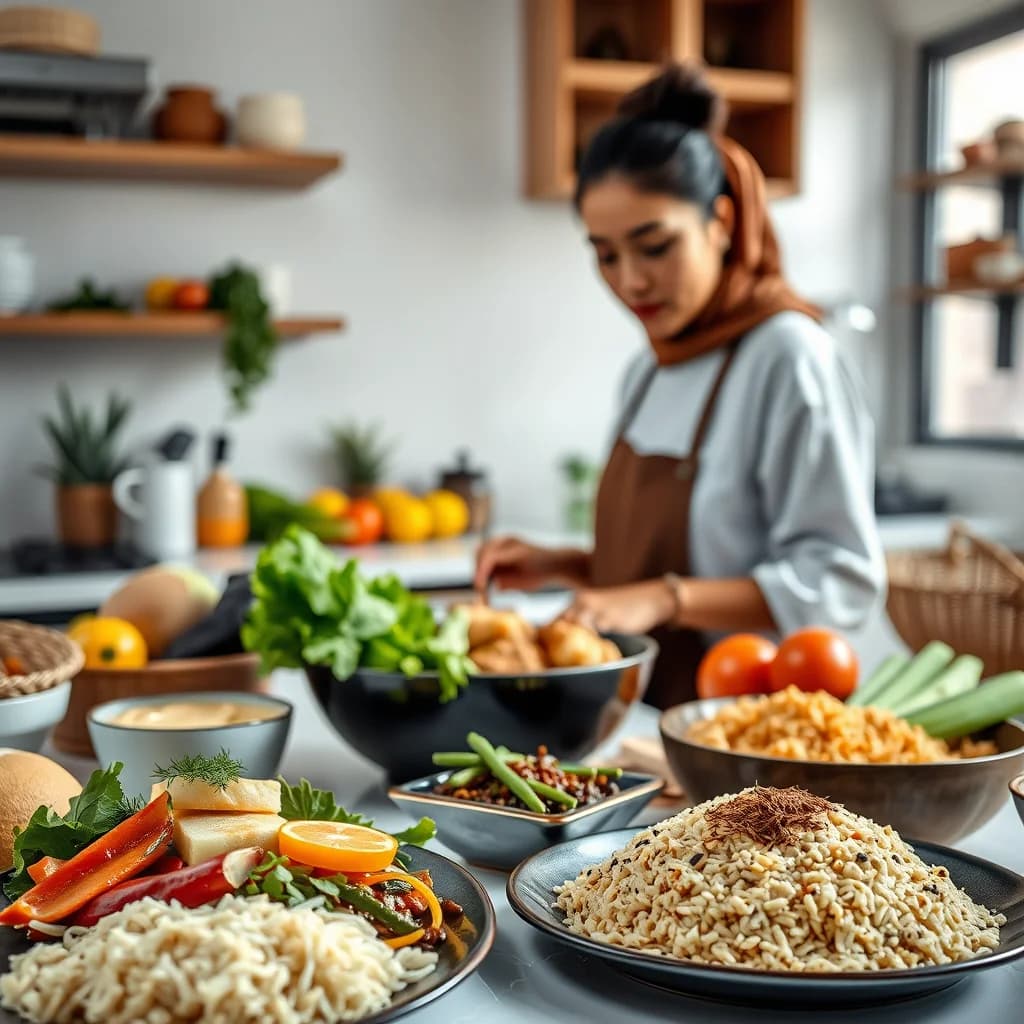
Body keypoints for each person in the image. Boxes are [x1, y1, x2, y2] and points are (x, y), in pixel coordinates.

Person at [475, 63, 886, 709]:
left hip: (742, 733)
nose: (631, 281)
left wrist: (665, 597)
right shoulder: (648, 371)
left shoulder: (788, 355)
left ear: (720, 223)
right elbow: (694, 558)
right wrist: (566, 565)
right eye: (606, 255)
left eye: (655, 246)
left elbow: (840, 580)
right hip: (640, 720)